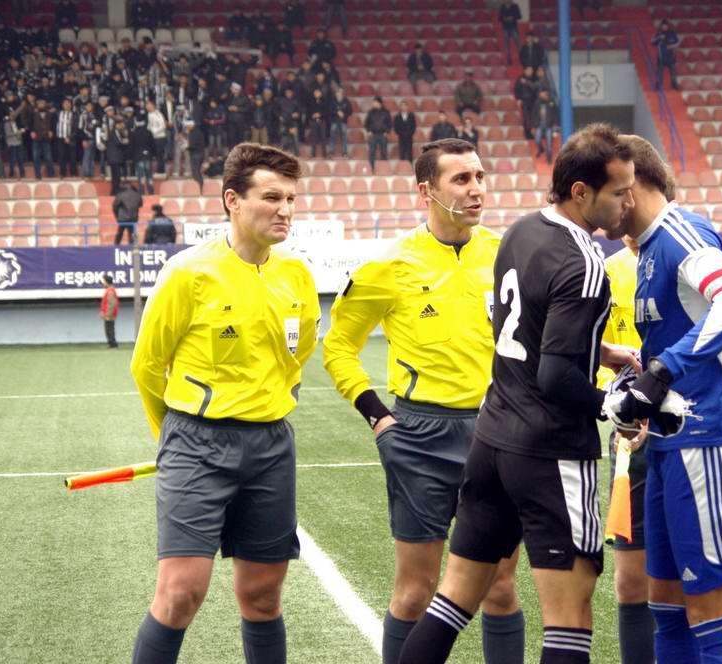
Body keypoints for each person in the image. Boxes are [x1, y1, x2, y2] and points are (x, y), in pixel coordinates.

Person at [397, 124, 639, 664]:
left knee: (453, 599)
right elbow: (556, 378)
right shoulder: (586, 263)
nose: (628, 202)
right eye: (619, 191)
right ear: (581, 192)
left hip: (492, 440)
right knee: (570, 617)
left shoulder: (522, 230)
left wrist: (597, 349)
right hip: (550, 451)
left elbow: (525, 328)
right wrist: (613, 404)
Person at [324, 139, 524, 664]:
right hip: (421, 437)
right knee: (416, 591)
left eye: (480, 177)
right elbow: (338, 347)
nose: (476, 189)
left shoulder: (508, 255)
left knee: (500, 586)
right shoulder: (388, 265)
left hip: (498, 433)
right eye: (461, 179)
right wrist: (378, 417)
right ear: (426, 191)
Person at [129, 143, 319, 664]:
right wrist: (171, 441)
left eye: (291, 199)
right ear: (233, 200)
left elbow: (300, 351)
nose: (285, 210)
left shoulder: (297, 274)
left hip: (271, 446)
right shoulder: (187, 273)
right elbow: (147, 367)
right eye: (272, 197)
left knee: (262, 596)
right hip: (195, 443)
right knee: (180, 594)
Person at [605, 134, 722, 664]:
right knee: (668, 613)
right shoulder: (647, 250)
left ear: (630, 186)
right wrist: (636, 384)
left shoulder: (680, 234)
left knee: (713, 624)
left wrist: (662, 370)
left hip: (708, 443)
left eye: (607, 189)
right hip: (670, 446)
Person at [597, 234, 653, 664]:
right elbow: (590, 347)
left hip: (687, 430)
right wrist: (616, 401)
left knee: (696, 578)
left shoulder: (688, 256)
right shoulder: (605, 270)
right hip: (629, 432)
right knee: (631, 582)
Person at [365, 96, 392, 173]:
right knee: (371, 153)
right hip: (373, 135)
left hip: (382, 135)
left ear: (379, 103)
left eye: (374, 102)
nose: (373, 104)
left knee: (384, 153)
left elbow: (389, 123)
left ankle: (384, 169)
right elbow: (366, 123)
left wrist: (387, 132)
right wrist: (369, 131)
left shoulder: (386, 112)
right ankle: (372, 169)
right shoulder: (370, 112)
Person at [651, 20, 680, 91]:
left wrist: (672, 46)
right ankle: (658, 86)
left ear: (668, 26)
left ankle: (674, 85)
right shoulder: (658, 34)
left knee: (673, 72)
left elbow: (678, 43)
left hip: (671, 57)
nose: (664, 27)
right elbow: (652, 42)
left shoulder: (672, 33)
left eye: (665, 26)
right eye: (663, 26)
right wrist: (659, 37)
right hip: (661, 57)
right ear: (661, 26)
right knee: (659, 73)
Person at [532, 89, 558, 162]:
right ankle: (540, 149)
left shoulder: (551, 102)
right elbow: (533, 114)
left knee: (549, 142)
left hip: (549, 125)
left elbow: (555, 114)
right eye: (542, 94)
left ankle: (549, 158)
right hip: (539, 125)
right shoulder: (537, 103)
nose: (543, 95)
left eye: (544, 94)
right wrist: (533, 126)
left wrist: (555, 124)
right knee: (537, 140)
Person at [498, 0, 521, 65]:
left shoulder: (515, 6)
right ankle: (508, 59)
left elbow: (519, 16)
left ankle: (522, 58)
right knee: (506, 45)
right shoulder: (502, 7)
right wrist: (504, 18)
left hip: (513, 27)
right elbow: (499, 18)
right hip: (505, 27)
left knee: (518, 44)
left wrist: (512, 17)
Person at [100, 274, 119, 348]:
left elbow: (111, 304)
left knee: (109, 329)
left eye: (104, 281)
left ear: (107, 282)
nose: (103, 283)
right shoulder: (109, 290)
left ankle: (112, 343)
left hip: (109, 315)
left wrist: (108, 314)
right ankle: (111, 343)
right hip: (109, 314)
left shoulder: (110, 291)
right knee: (109, 328)